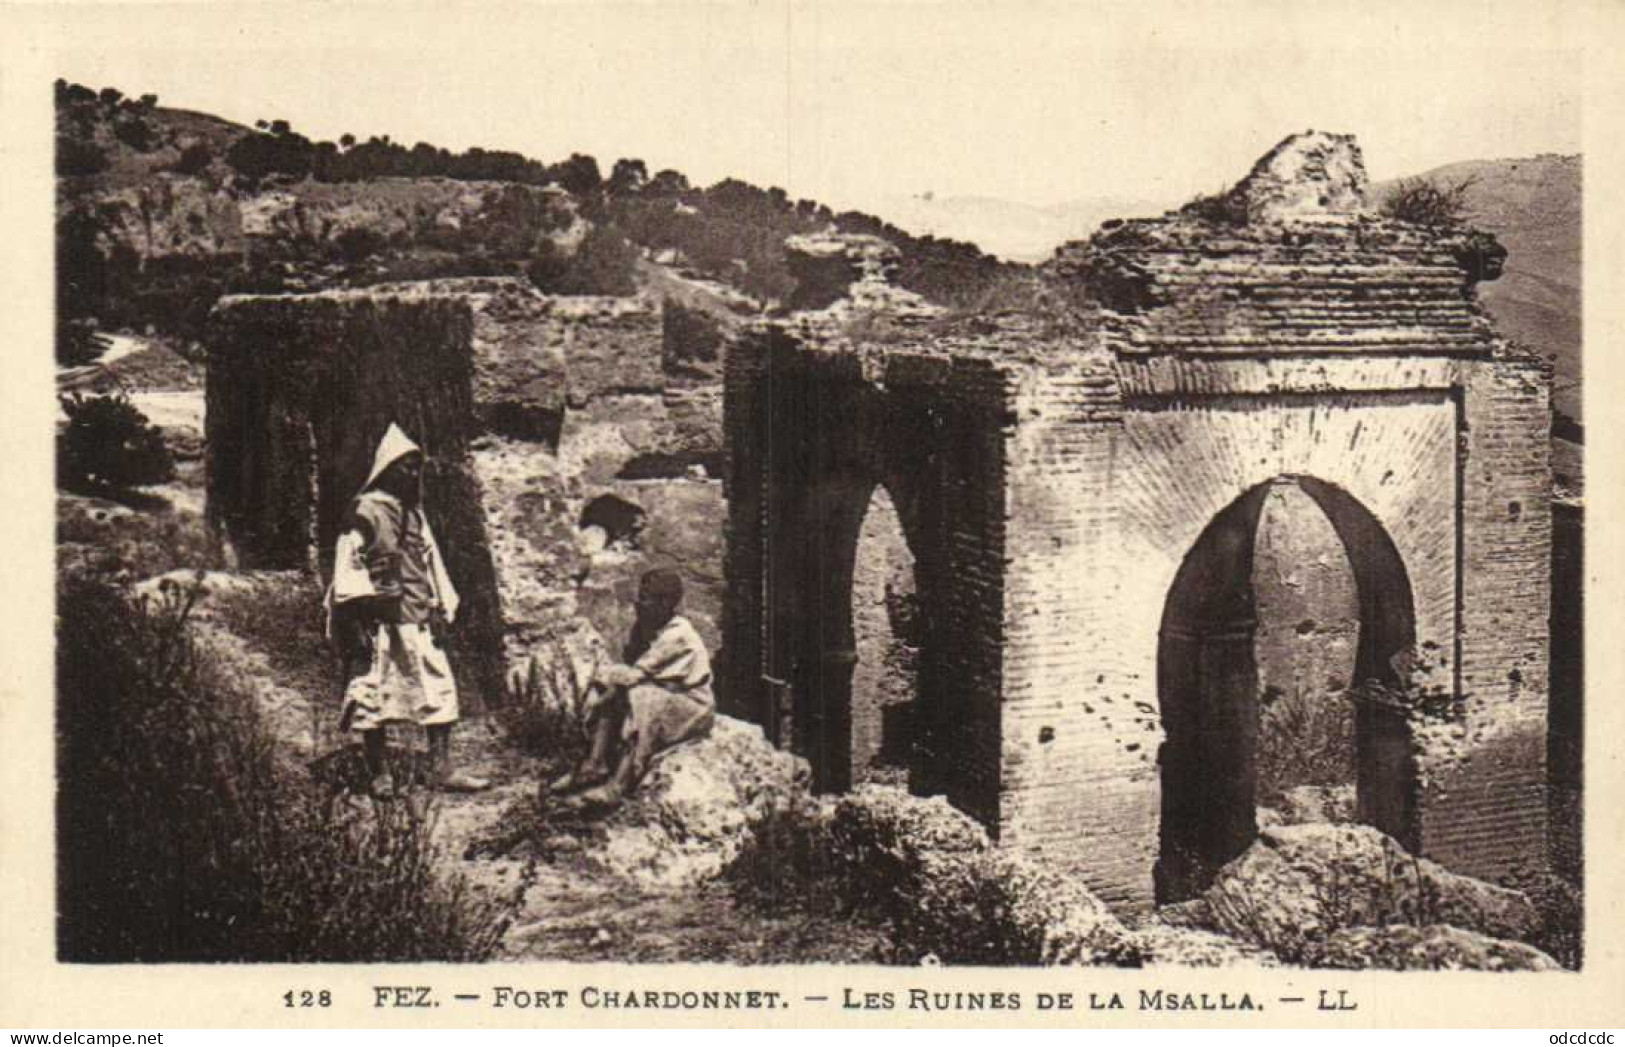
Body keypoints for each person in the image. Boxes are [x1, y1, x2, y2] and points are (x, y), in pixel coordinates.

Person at [326, 422, 490, 797]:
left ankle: (441, 767)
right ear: (387, 468)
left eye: (416, 466)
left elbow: (430, 561)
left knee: (439, 689)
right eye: (406, 466)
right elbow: (348, 565)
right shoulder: (364, 512)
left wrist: (439, 605)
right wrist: (356, 615)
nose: (413, 473)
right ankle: (379, 773)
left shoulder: (414, 514)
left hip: (416, 616)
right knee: (372, 693)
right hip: (377, 620)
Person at [550, 567, 714, 807]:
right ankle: (594, 764)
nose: (639, 604)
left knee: (641, 698)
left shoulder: (677, 635)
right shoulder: (649, 627)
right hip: (666, 692)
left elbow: (636, 674)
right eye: (640, 597)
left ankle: (619, 785)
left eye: (645, 599)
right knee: (618, 692)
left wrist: (609, 677)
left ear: (665, 603)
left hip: (692, 704)